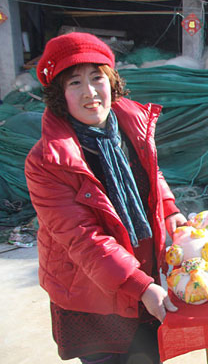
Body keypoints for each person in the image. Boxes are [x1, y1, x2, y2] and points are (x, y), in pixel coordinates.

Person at [25, 32, 187, 364]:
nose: (90, 93)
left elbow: (150, 173)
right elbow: (82, 238)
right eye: (74, 83)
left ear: (112, 81)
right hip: (91, 293)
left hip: (144, 274)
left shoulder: (131, 123)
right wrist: (140, 286)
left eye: (97, 78)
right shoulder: (47, 161)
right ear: (59, 95)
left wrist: (169, 208)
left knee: (148, 358)